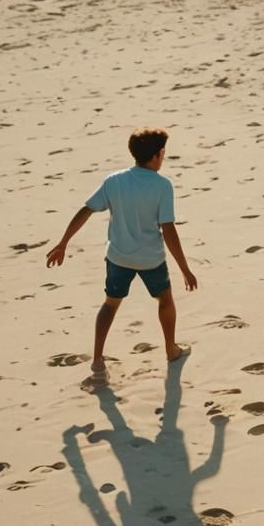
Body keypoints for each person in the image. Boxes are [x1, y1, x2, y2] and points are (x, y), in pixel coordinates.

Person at [46, 127, 196, 381]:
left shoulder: (114, 180)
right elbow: (168, 229)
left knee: (110, 304)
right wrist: (184, 268)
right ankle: (171, 349)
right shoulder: (162, 186)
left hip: (118, 257)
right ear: (158, 155)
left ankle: (97, 361)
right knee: (165, 300)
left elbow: (87, 209)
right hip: (151, 260)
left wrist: (63, 243)